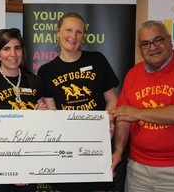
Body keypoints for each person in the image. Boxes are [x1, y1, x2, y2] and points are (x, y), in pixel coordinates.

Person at [110, 20, 174, 192]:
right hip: (138, 170)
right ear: (140, 49)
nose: (153, 47)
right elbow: (123, 117)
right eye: (145, 44)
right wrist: (119, 151)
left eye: (158, 40)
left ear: (169, 40)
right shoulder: (133, 74)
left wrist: (137, 113)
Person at [37, 12, 119, 192]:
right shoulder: (46, 71)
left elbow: (112, 99)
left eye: (79, 32)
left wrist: (109, 120)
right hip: (67, 149)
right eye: (68, 30)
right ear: (58, 32)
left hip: (96, 145)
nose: (73, 37)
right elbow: (53, 113)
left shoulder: (97, 60)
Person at [0, 28, 46, 192]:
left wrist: (43, 116)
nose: (13, 54)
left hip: (28, 162)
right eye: (6, 49)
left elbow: (43, 127)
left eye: (17, 48)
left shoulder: (35, 81)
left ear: (22, 51)